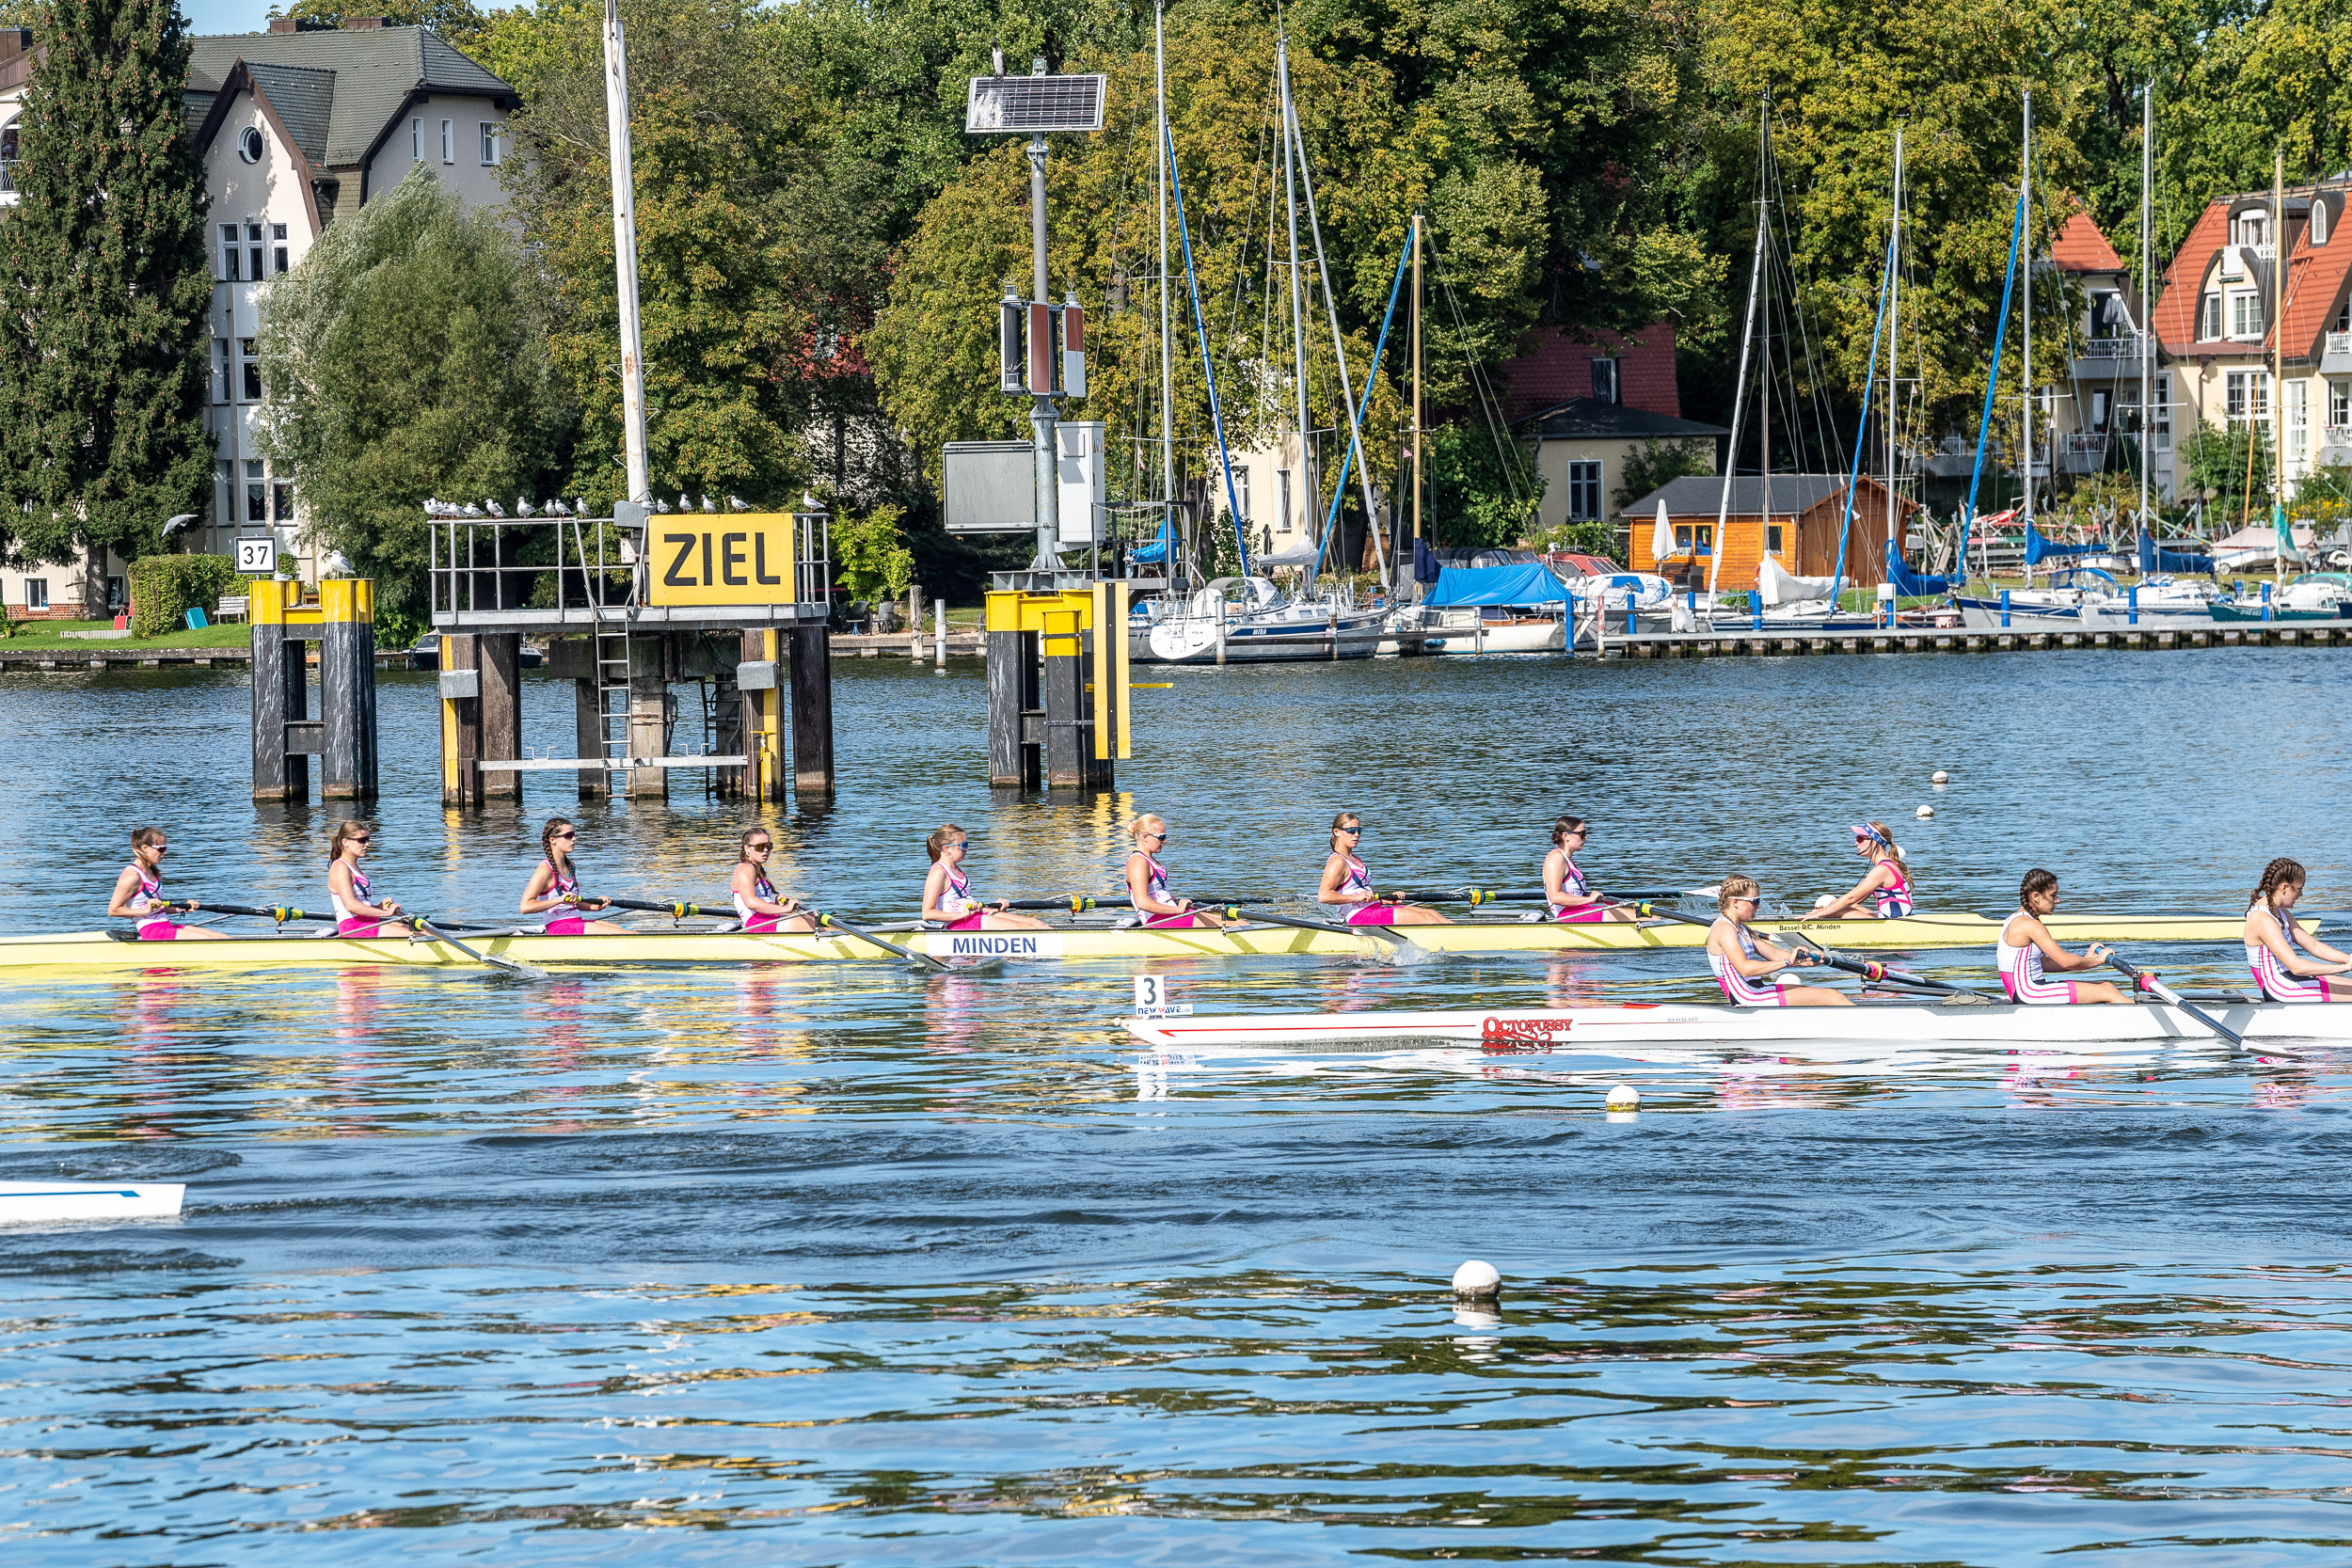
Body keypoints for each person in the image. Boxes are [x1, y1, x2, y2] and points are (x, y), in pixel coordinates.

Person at [1706, 874, 1851, 1006]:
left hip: (1756, 989)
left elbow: (1774, 954)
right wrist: (1787, 962)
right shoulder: (1724, 929)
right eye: (1755, 901)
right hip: (1747, 996)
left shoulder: (1741, 929)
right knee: (1833, 998)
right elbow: (1745, 969)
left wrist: (1804, 961)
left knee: (1833, 995)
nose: (1759, 906)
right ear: (1736, 902)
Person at [1996, 868, 2130, 1004]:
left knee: (2107, 986)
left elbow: (2045, 964)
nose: (2057, 900)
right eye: (2053, 895)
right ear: (2036, 897)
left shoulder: (2014, 919)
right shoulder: (2029, 924)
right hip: (2030, 992)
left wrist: (2086, 959)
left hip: (2027, 991)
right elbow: (2067, 961)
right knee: (2109, 992)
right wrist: (2099, 960)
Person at [2244, 857, 2352, 1002]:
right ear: (2284, 888)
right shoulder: (2262, 919)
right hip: (2281, 989)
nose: (2301, 894)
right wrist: (2344, 968)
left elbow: (2315, 946)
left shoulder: (2283, 913)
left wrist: (2348, 959)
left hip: (2291, 979)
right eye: (2300, 888)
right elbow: (2296, 966)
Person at [1316, 812, 1447, 926]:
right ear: (1336, 832)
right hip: (1359, 916)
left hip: (1373, 908)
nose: (1356, 835)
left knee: (1431, 913)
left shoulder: (1355, 858)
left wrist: (1385, 899)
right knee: (1426, 918)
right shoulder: (1337, 861)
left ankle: (1464, 935)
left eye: (1358, 831)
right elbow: (1323, 896)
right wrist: (1357, 897)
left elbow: (1360, 891)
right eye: (1351, 831)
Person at [107, 826, 227, 940]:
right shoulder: (131, 876)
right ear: (145, 848)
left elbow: (159, 908)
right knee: (211, 941)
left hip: (165, 926)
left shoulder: (152, 872)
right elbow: (113, 910)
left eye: (165, 848)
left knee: (224, 938)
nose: (165, 853)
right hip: (152, 932)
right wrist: (146, 911)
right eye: (161, 849)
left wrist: (183, 908)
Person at [921, 824, 1046, 931]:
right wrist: (962, 914)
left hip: (973, 917)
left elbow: (962, 902)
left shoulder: (956, 868)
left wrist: (993, 907)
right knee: (1024, 928)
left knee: (1034, 923)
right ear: (947, 848)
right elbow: (927, 913)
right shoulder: (938, 871)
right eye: (963, 845)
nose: (967, 849)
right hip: (958, 924)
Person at [519, 817, 626, 934]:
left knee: (630, 931)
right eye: (568, 835)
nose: (574, 839)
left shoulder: (570, 866)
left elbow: (571, 904)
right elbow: (525, 907)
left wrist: (593, 907)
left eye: (574, 835)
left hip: (575, 922)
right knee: (628, 935)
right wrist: (559, 900)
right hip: (559, 927)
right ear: (553, 840)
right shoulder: (545, 870)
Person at [1124, 815, 1225, 928]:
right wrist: (1178, 909)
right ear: (1145, 837)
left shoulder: (1150, 860)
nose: (1165, 841)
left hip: (1168, 916)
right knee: (1229, 925)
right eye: (1161, 837)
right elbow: (1142, 902)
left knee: (1232, 920)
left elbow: (1156, 891)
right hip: (1156, 921)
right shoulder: (1138, 861)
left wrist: (1172, 900)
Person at [1807, 822, 1915, 920]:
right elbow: (1855, 900)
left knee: (1835, 910)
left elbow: (1850, 898)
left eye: (1860, 839)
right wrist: (1828, 908)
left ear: (1874, 842)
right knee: (1837, 905)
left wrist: (1818, 914)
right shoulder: (1887, 865)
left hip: (1894, 922)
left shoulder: (1882, 870)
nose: (1856, 843)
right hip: (1894, 918)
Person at [1541, 815, 1637, 922]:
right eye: (1582, 834)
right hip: (1567, 917)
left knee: (1640, 915)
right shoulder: (1556, 857)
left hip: (1581, 911)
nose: (1585, 837)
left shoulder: (1568, 860)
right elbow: (1555, 896)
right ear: (1566, 836)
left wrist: (1589, 898)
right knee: (1643, 919)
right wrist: (1589, 899)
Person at [327, 819, 404, 938]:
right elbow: (351, 906)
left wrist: (379, 907)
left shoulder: (354, 867)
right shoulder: (340, 867)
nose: (367, 844)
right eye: (362, 840)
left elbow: (362, 903)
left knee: (421, 931)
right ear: (345, 842)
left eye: (368, 840)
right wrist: (386, 913)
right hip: (353, 928)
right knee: (417, 935)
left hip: (368, 923)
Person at [731, 828, 816, 933]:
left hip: (768, 920)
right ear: (747, 848)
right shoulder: (745, 869)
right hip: (758, 924)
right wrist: (786, 909)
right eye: (760, 847)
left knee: (815, 921)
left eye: (768, 846)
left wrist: (776, 906)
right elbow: (751, 903)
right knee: (820, 927)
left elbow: (760, 900)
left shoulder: (755, 869)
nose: (766, 850)